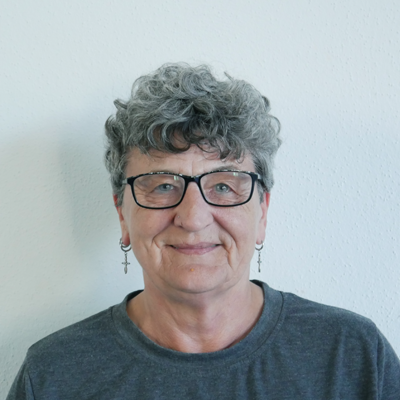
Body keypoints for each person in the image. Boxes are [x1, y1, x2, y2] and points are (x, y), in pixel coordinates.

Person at [7, 63, 400, 399]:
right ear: (123, 215)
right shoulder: (53, 375)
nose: (193, 218)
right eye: (163, 185)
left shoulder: (352, 357)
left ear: (262, 212)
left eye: (224, 186)